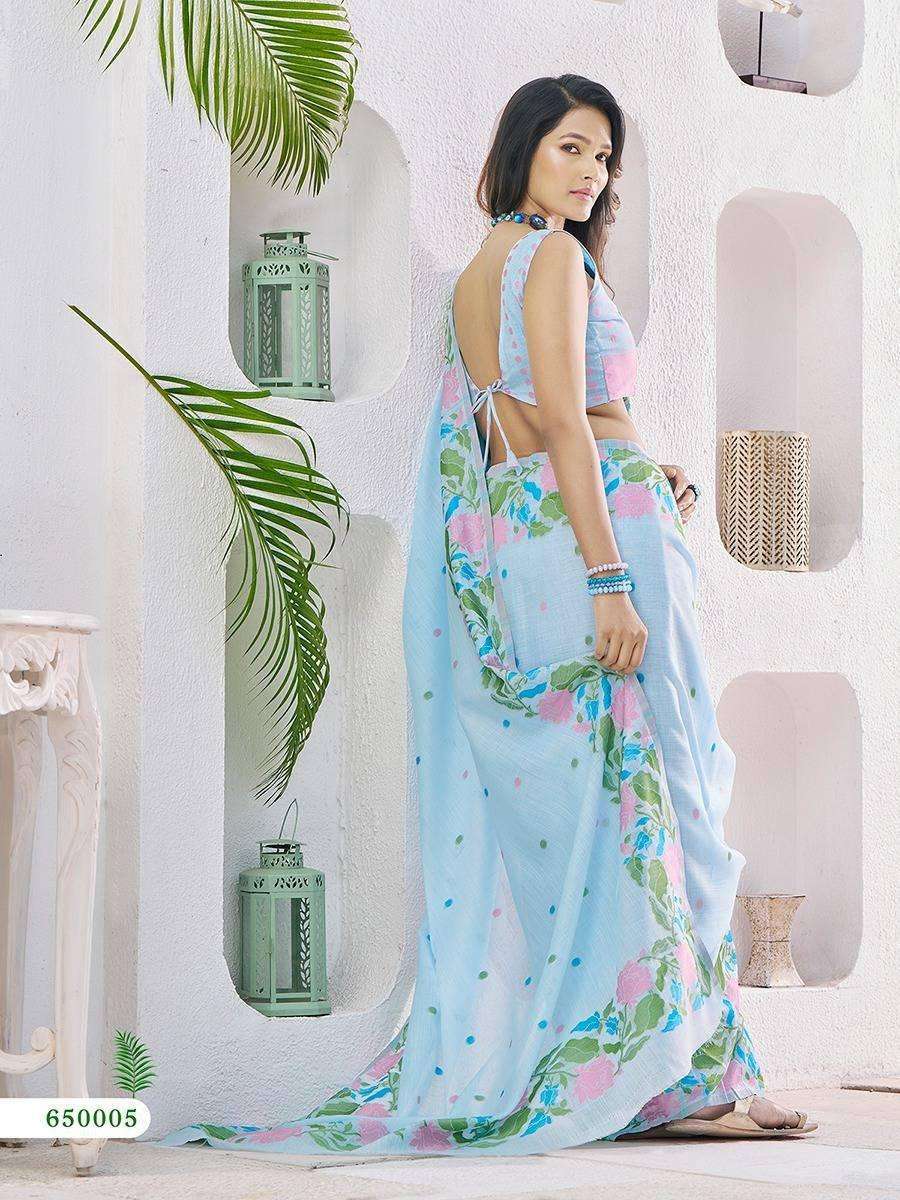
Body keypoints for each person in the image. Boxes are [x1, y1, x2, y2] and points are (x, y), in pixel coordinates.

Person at [155, 75, 816, 1159]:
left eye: (603, 155)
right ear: (522, 151)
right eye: (570, 148)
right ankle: (692, 1076)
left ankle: (673, 1071)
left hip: (537, 535)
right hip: (590, 546)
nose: (591, 171)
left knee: (609, 812)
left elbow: (525, 430)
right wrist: (610, 575)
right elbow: (565, 422)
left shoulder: (480, 270)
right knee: (660, 801)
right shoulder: (550, 256)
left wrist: (648, 480)